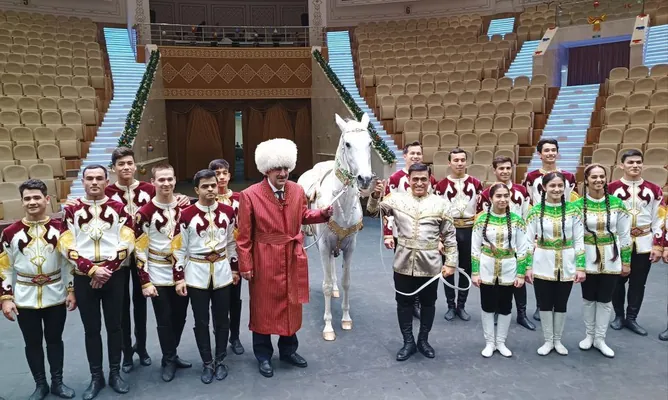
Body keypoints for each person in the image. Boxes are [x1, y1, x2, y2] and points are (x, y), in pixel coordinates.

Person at [236, 138, 333, 378]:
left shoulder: (297, 190)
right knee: (263, 308)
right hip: (264, 257)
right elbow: (244, 235)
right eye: (277, 168)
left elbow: (302, 215)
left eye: (286, 168)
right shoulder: (250, 195)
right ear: (266, 169)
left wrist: (321, 214)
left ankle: (288, 350)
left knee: (291, 304)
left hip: (291, 256)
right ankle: (263, 354)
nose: (283, 173)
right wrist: (245, 264)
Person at [367, 163, 457, 361]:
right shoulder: (396, 199)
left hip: (430, 264)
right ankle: (408, 342)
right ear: (408, 179)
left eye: (423, 179)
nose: (419, 183)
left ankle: (423, 340)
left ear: (429, 180)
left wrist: (450, 262)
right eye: (415, 179)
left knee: (428, 303)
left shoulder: (441, 204)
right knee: (403, 303)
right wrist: (375, 196)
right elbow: (373, 212)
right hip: (403, 262)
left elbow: (450, 236)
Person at [59, 165, 134, 399]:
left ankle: (114, 373)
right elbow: (65, 243)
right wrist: (91, 269)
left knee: (115, 327)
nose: (94, 182)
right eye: (89, 178)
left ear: (106, 181)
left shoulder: (119, 208)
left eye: (99, 178)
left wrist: (106, 270)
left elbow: (128, 240)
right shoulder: (72, 211)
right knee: (91, 329)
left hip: (114, 276)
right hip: (84, 277)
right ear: (82, 181)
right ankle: (96, 377)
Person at [0, 180, 77, 400]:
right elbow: (3, 268)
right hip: (25, 296)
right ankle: (40, 384)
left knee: (55, 340)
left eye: (36, 197)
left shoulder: (61, 229)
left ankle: (58, 383)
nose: (32, 202)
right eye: (27, 198)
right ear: (22, 202)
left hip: (55, 294)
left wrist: (71, 290)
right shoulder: (10, 233)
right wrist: (6, 298)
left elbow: (69, 264)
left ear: (47, 199)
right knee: (32, 342)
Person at [172, 169, 239, 384]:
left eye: (213, 185)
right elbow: (178, 248)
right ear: (196, 190)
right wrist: (179, 277)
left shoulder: (229, 212)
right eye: (205, 186)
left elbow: (231, 242)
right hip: (196, 274)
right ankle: (207, 362)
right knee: (201, 321)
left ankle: (220, 360)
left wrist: (235, 268)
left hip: (222, 272)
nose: (210, 189)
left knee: (222, 320)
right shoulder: (186, 215)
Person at [134, 164, 192, 382]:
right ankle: (168, 359)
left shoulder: (185, 209)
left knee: (181, 316)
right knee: (164, 318)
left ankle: (172, 353)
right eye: (161, 180)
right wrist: (145, 281)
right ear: (153, 182)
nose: (166, 183)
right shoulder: (144, 213)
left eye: (169, 179)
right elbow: (140, 250)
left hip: (183, 272)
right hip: (158, 272)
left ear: (175, 180)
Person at [572, 164, 631, 358]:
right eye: (594, 177)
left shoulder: (616, 203)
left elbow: (624, 234)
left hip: (611, 257)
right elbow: (576, 237)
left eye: (602, 176)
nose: (598, 180)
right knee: (589, 298)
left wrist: (626, 261)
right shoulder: (577, 206)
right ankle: (589, 335)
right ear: (586, 180)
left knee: (606, 300)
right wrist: (579, 263)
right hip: (587, 257)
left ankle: (600, 338)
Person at [525, 171, 585, 356]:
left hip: (567, 261)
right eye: (552, 185)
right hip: (543, 260)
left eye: (560, 185)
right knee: (544, 302)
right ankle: (547, 340)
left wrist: (580, 266)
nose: (556, 189)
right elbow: (527, 241)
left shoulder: (574, 210)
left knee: (561, 302)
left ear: (565, 187)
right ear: (544, 188)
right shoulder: (534, 211)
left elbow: (579, 239)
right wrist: (527, 266)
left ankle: (557, 340)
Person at [106, 147, 154, 372]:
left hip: (144, 256)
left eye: (129, 163)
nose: (125, 167)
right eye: (121, 164)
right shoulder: (105, 193)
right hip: (117, 259)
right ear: (113, 168)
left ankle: (142, 347)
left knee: (141, 304)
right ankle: (126, 351)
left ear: (135, 165)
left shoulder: (149, 190)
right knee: (121, 305)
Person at [608, 149, 664, 336]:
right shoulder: (611, 189)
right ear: (621, 165)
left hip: (644, 242)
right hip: (618, 243)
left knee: (638, 283)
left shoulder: (654, 190)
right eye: (630, 162)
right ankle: (618, 316)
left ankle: (632, 318)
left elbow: (659, 219)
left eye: (638, 162)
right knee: (617, 281)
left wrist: (658, 244)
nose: (635, 166)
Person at [476, 156, 534, 330]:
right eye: (501, 168)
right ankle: (494, 310)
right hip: (494, 246)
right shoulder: (486, 193)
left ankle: (522, 314)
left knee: (518, 279)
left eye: (508, 168)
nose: (505, 171)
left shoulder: (522, 191)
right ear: (494, 170)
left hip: (517, 242)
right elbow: (482, 219)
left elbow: (527, 216)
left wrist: (528, 240)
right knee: (494, 280)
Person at [522, 138, 578, 321]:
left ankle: (559, 302)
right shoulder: (531, 177)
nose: (550, 153)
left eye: (554, 150)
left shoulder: (569, 177)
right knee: (541, 266)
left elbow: (570, 201)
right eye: (546, 150)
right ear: (539, 154)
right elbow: (529, 202)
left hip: (562, 222)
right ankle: (541, 304)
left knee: (561, 263)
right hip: (540, 223)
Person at [472, 183, 528, 358]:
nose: (502, 199)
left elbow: (522, 248)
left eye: (506, 196)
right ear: (490, 198)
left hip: (508, 267)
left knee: (505, 305)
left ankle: (501, 342)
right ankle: (489, 342)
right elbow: (475, 248)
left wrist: (520, 273)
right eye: (498, 196)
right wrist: (475, 272)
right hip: (487, 266)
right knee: (487, 305)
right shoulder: (481, 219)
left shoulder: (517, 220)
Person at [385, 142, 439, 319]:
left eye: (419, 154)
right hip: (402, 234)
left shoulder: (429, 179)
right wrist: (387, 233)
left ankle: (417, 302)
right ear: (405, 156)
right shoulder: (394, 179)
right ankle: (409, 301)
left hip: (425, 235)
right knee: (406, 270)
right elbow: (387, 210)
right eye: (412, 153)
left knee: (423, 270)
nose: (416, 156)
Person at [434, 148, 482, 322]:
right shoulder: (440, 186)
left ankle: (461, 306)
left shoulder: (476, 183)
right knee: (448, 269)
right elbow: (437, 213)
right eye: (456, 160)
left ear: (466, 162)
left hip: (470, 230)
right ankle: (450, 306)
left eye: (462, 160)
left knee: (465, 269)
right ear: (449, 163)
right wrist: (439, 237)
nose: (460, 163)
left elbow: (481, 210)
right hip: (449, 231)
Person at [209, 158, 244, 355]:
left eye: (224, 173)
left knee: (235, 299)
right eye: (217, 174)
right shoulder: (206, 199)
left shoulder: (240, 198)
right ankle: (218, 333)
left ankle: (235, 336)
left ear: (229, 175)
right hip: (214, 257)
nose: (221, 177)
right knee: (217, 300)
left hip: (235, 256)